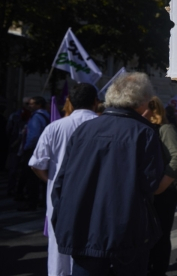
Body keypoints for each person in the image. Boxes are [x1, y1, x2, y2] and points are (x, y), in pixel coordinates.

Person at [51, 73, 164, 276]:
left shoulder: (84, 129)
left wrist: (62, 222)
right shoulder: (144, 133)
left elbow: (61, 181)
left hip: (81, 228)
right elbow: (150, 184)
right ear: (141, 101)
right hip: (125, 232)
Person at [29, 83, 99, 276]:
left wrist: (50, 181)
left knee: (59, 249)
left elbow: (36, 164)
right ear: (95, 101)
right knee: (92, 248)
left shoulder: (55, 127)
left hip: (60, 197)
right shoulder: (105, 126)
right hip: (95, 198)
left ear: (69, 101)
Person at [145, 97, 177, 276]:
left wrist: (162, 186)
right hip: (151, 193)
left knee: (160, 236)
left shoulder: (165, 129)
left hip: (164, 194)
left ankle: (158, 271)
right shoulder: (147, 128)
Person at [19, 96, 50, 211]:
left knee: (32, 177)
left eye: (32, 104)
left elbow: (34, 135)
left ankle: (31, 202)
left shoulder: (37, 117)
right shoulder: (46, 115)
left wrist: (26, 148)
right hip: (43, 148)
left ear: (39, 105)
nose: (29, 106)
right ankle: (42, 201)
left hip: (33, 149)